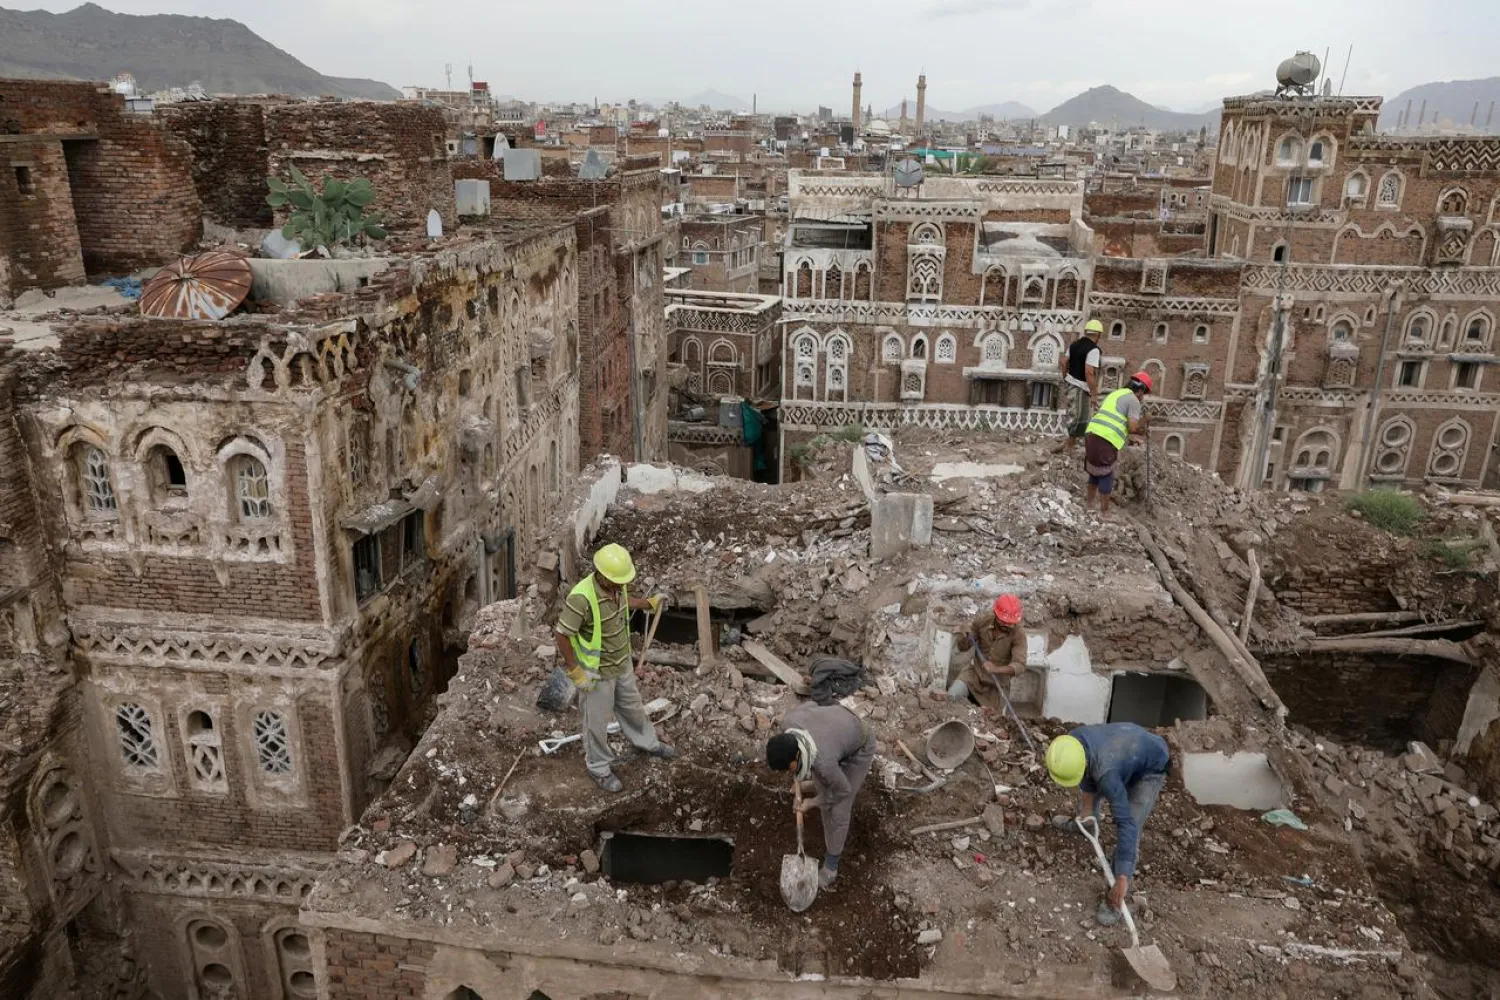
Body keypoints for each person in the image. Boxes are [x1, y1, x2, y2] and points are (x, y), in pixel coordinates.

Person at [554, 543, 675, 793]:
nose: (621, 585)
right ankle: (598, 768)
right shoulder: (581, 598)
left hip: (622, 664)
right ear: (602, 575)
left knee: (633, 709)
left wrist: (647, 604)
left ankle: (647, 743)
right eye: (616, 581)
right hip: (597, 673)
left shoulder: (615, 587)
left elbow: (622, 601)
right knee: (596, 724)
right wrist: (576, 671)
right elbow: (562, 635)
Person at [1045, 723, 1170, 925]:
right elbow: (1086, 778)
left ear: (1084, 763)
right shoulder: (1073, 742)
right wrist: (1087, 812)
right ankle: (1084, 826)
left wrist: (1122, 878)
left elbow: (1125, 824)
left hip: (1151, 766)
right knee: (1092, 795)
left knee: (1132, 824)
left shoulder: (1107, 776)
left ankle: (1116, 897)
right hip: (1123, 750)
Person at [765, 700, 877, 889]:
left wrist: (812, 803)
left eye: (789, 769)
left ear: (797, 757)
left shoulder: (823, 761)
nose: (788, 773)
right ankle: (817, 783)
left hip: (860, 745)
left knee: (837, 807)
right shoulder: (789, 723)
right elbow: (812, 703)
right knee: (823, 778)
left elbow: (843, 791)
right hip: (838, 729)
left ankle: (831, 866)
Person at [1082, 371, 1152, 516]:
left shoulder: (1117, 393)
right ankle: (1105, 512)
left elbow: (1122, 424)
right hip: (1106, 438)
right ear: (1140, 390)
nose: (1142, 397)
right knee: (1106, 474)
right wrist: (1145, 420)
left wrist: (1141, 431)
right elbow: (1132, 428)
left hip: (1091, 433)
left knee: (1095, 472)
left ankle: (1089, 505)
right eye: (1143, 393)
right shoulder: (1133, 400)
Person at [951, 594, 1028, 714]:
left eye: (1012, 622)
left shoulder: (1018, 634)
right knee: (951, 696)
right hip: (974, 675)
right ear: (996, 614)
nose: (1009, 625)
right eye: (1005, 621)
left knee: (989, 721)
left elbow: (1020, 666)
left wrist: (996, 669)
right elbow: (962, 648)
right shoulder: (983, 621)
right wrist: (966, 637)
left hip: (996, 687)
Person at [1062, 320, 1103, 451]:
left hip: (1070, 383)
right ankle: (1070, 446)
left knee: (1074, 414)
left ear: (1086, 332)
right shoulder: (1094, 350)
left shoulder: (1073, 345)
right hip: (1080, 386)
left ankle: (1072, 443)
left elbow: (1063, 362)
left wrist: (1065, 377)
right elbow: (1089, 372)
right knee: (1078, 416)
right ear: (1098, 336)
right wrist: (1094, 394)